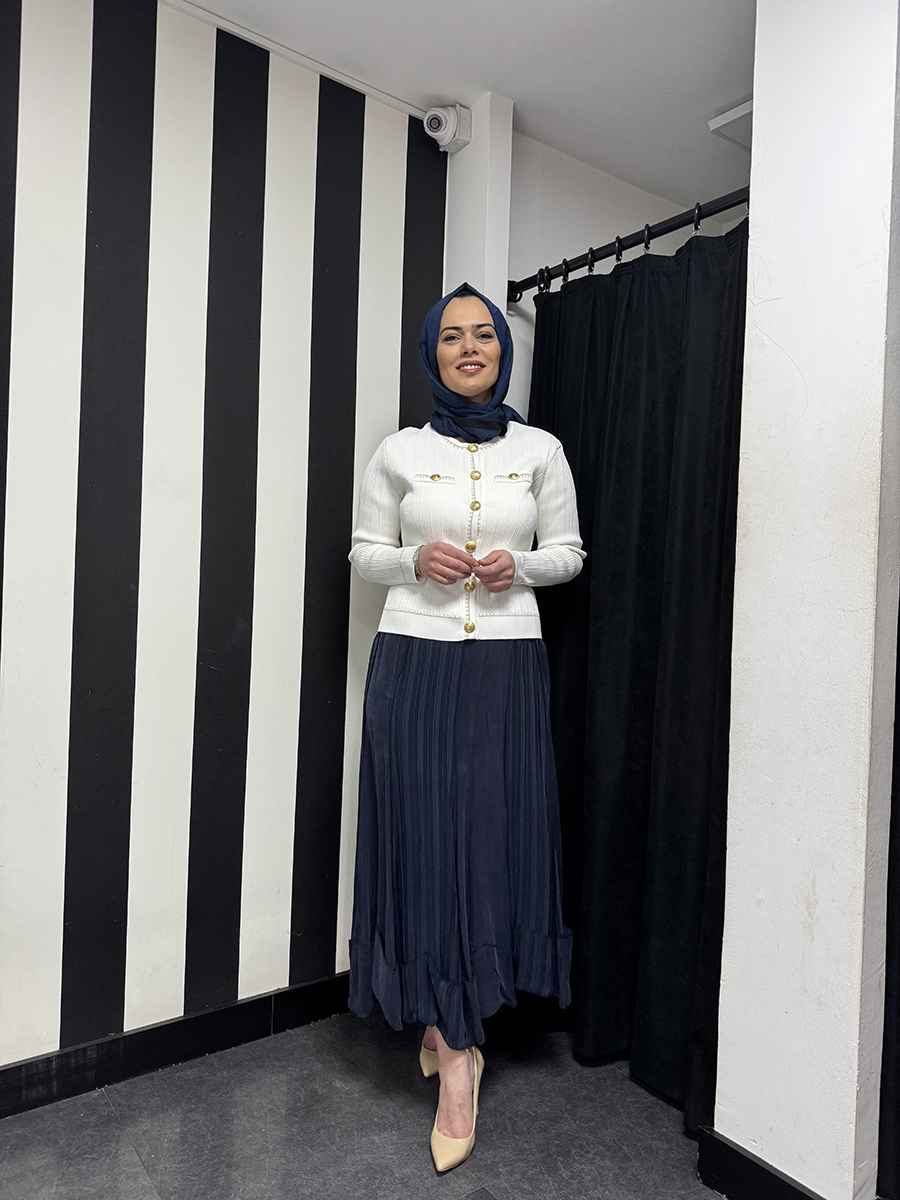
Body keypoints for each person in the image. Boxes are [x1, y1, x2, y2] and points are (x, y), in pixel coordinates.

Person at [347, 282, 585, 1172]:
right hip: (413, 664)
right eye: (452, 337)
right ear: (433, 353)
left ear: (503, 352)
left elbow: (570, 554)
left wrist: (519, 567)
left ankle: (458, 1037)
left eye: (484, 334)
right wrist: (415, 558)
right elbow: (364, 553)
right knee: (422, 840)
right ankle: (453, 1046)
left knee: (484, 840)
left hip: (505, 669)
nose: (471, 347)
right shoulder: (399, 452)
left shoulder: (542, 451)